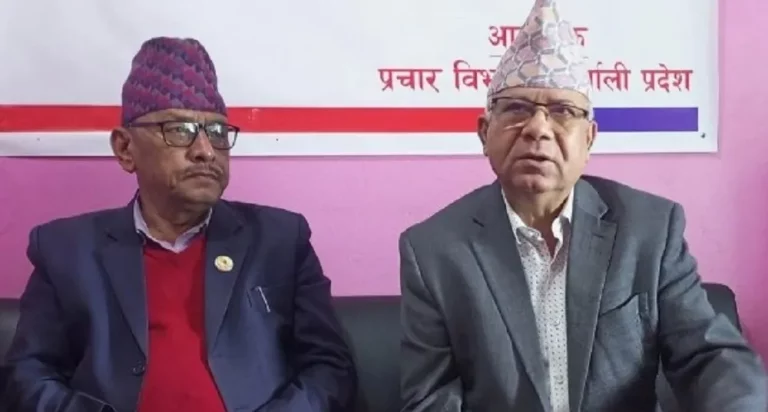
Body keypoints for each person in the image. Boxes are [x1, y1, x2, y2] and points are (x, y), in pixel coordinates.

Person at [398, 1, 767, 411]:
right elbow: (431, 397)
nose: (538, 129)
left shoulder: (650, 229)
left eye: (563, 111)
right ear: (485, 133)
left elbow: (707, 355)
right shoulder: (433, 250)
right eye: (517, 108)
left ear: (588, 139)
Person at [1, 37, 356, 412]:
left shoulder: (280, 240)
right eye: (179, 130)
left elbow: (330, 369)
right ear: (125, 148)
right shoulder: (66, 250)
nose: (205, 150)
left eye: (217, 133)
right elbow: (28, 375)